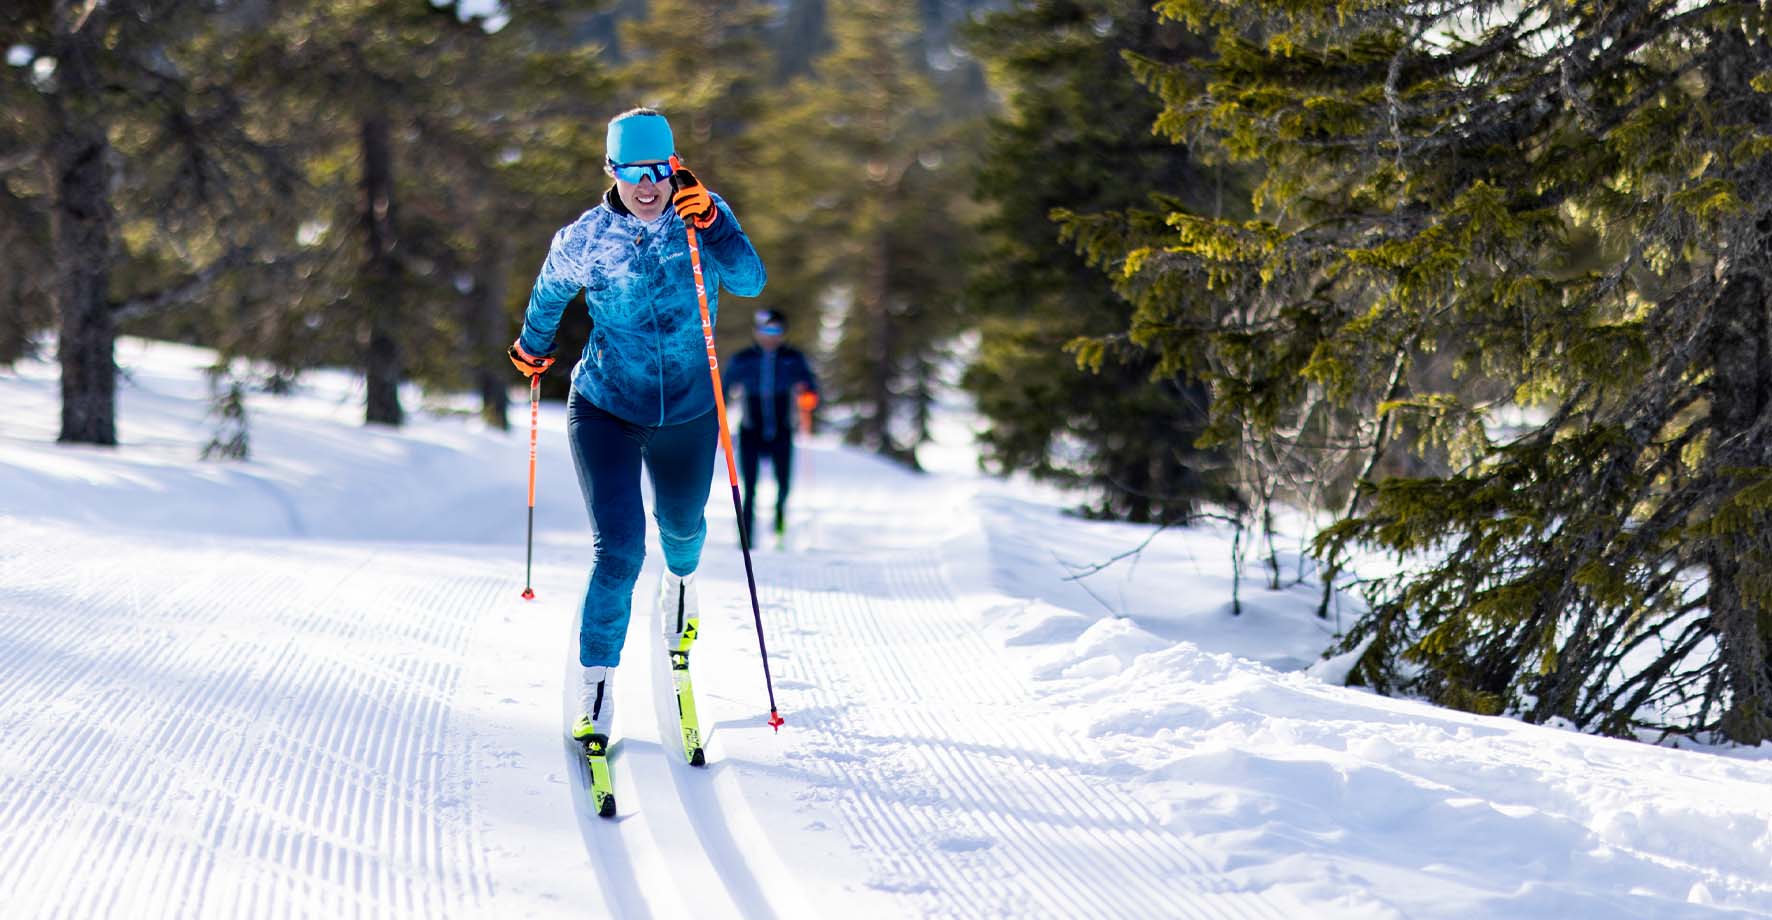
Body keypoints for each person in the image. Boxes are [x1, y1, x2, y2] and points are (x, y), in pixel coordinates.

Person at [507, 108, 765, 746]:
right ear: (612, 172)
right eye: (631, 173)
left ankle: (680, 585)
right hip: (606, 408)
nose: (646, 187)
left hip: (688, 409)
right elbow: (547, 295)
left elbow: (750, 280)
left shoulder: (699, 216)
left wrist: (719, 224)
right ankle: (596, 685)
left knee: (683, 530)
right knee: (619, 551)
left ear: (673, 167)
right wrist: (532, 346)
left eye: (657, 171)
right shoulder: (585, 239)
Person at [724, 309, 819, 550]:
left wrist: (808, 396)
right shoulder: (743, 359)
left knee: (783, 485)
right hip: (750, 430)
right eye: (766, 330)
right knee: (749, 488)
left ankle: (779, 528)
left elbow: (810, 386)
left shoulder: (792, 358)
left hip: (782, 430)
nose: (770, 336)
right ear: (756, 332)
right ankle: (746, 538)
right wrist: (719, 415)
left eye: (775, 330)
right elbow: (722, 390)